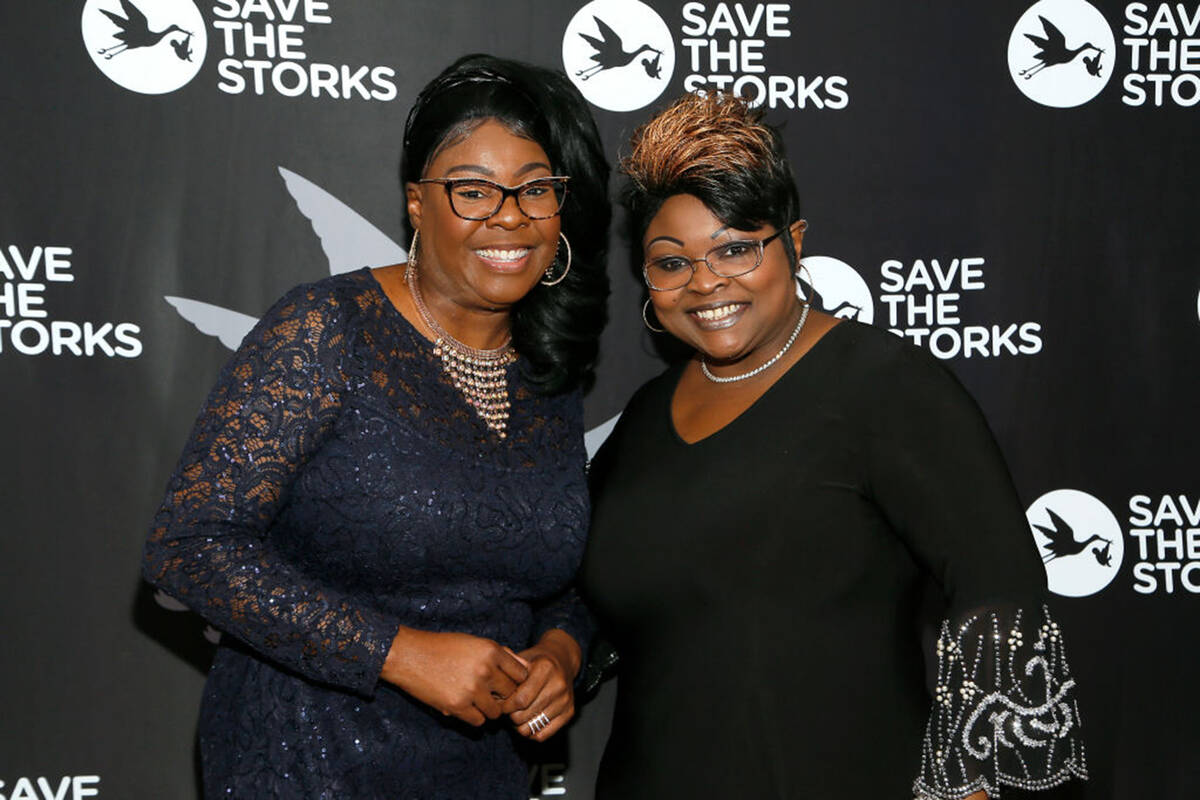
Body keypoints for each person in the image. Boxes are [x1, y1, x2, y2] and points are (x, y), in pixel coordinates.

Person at [580, 92, 1087, 800]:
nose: (705, 282)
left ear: (794, 240)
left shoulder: (883, 386)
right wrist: (557, 648)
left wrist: (974, 783)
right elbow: (594, 595)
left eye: (735, 248)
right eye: (671, 262)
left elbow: (998, 584)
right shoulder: (644, 417)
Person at [143, 54, 610, 799]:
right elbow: (189, 546)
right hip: (305, 764)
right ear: (417, 204)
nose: (510, 215)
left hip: (482, 774)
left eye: (537, 190)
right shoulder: (328, 329)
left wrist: (559, 652)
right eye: (473, 189)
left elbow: (556, 576)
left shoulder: (547, 374)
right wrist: (399, 653)